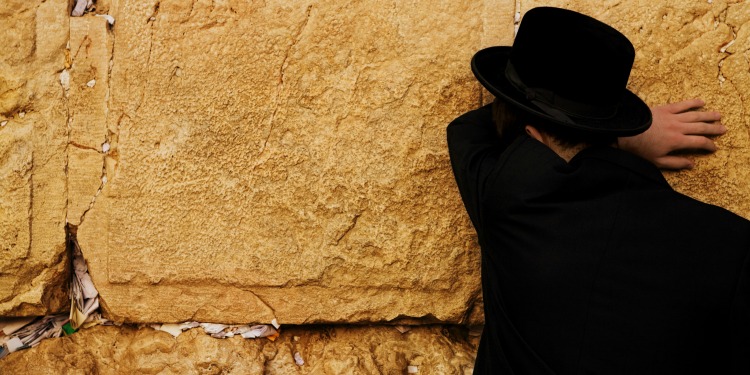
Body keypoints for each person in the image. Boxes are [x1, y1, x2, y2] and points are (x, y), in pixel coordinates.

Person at [447, 7, 750, 374]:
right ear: (610, 121)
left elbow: (467, 131)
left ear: (529, 137)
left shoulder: (511, 198)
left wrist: (630, 137)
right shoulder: (732, 245)